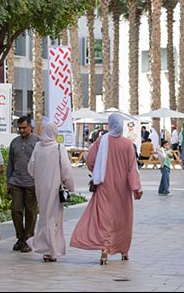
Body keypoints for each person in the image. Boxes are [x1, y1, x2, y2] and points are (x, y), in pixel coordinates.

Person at [70, 113, 143, 265]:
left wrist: (97, 170)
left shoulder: (101, 141)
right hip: (122, 190)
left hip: (104, 187)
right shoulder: (128, 144)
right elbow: (132, 169)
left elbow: (90, 160)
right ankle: (124, 251)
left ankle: (104, 250)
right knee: (123, 219)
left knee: (104, 219)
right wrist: (136, 188)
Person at [25, 121, 75, 262]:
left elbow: (31, 168)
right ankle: (51, 250)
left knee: (44, 217)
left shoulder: (37, 147)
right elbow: (66, 170)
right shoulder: (59, 148)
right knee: (53, 218)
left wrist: (40, 177)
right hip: (54, 188)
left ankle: (45, 248)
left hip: (40, 187)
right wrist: (70, 186)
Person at [7, 116, 40, 253]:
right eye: (19, 128)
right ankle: (20, 237)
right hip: (16, 182)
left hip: (32, 183)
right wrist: (8, 181)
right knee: (15, 210)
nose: (21, 130)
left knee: (31, 212)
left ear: (30, 127)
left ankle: (28, 239)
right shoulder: (14, 142)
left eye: (24, 128)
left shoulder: (38, 142)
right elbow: (10, 163)